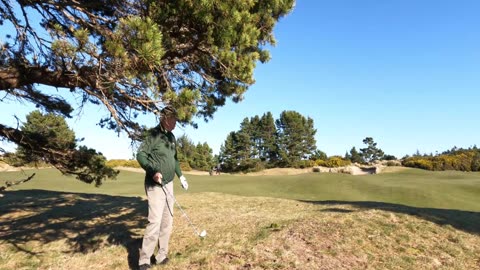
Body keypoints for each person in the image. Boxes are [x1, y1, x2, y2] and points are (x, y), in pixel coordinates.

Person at [136, 106, 189, 270]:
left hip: (169, 184)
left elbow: (174, 160)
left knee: (168, 221)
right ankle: (144, 260)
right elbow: (141, 155)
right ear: (165, 118)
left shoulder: (172, 137)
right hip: (155, 184)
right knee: (155, 221)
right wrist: (152, 172)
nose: (175, 122)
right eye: (173, 119)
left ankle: (161, 255)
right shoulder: (153, 134)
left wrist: (181, 176)